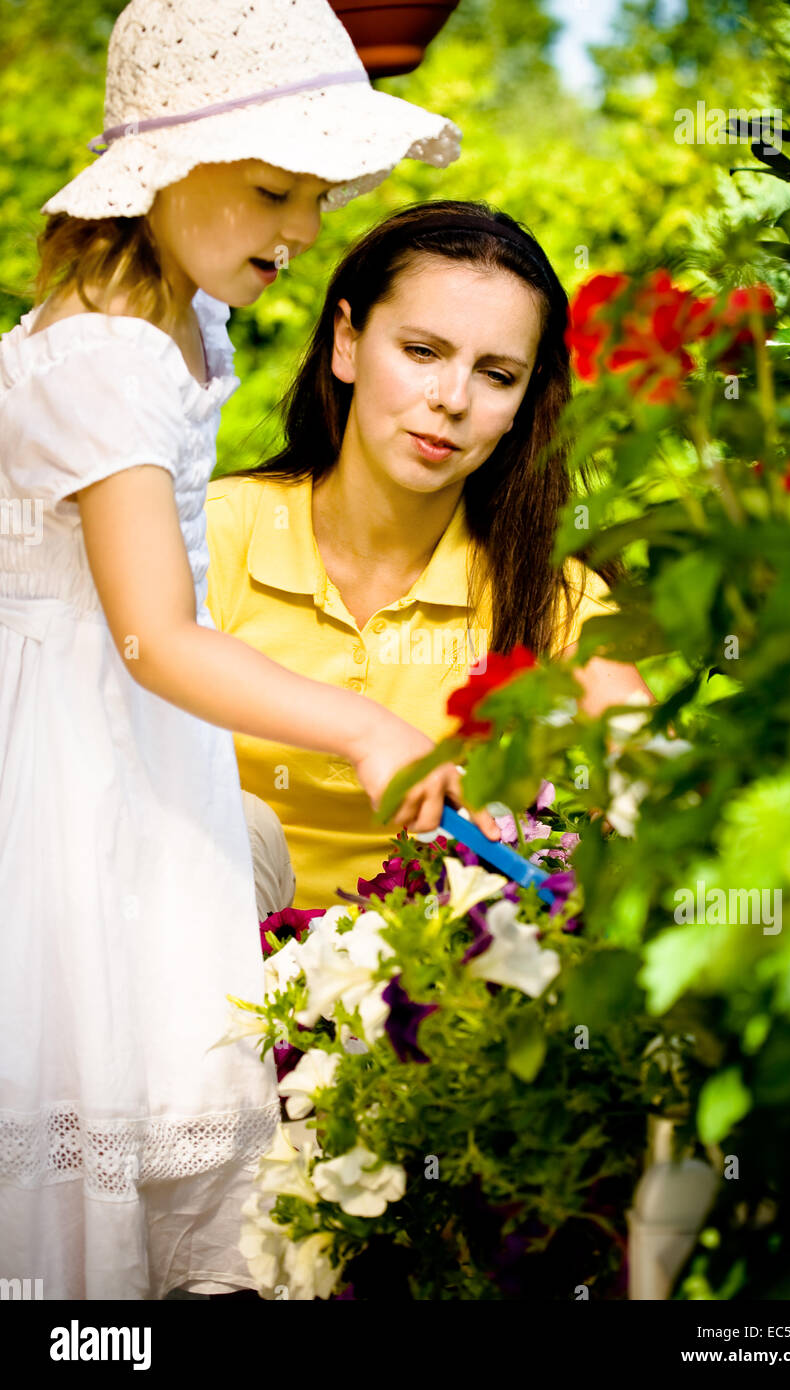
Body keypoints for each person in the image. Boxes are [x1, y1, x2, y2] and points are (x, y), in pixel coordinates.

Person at [0, 0, 488, 1301]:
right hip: (71, 803)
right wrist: (360, 721)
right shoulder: (101, 354)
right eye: (274, 188)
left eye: (317, 194)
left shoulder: (177, 329)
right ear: (156, 173)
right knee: (97, 1136)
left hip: (131, 774)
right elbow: (155, 635)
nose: (306, 229)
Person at [206, 201, 652, 911]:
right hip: (197, 979)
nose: (451, 399)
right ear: (347, 342)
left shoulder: (548, 595)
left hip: (425, 995)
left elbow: (649, 783)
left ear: (523, 403)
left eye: (497, 375)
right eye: (422, 353)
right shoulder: (215, 535)